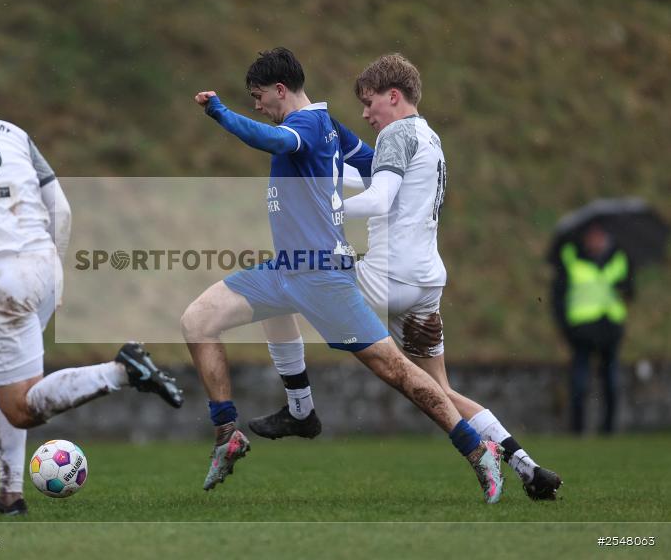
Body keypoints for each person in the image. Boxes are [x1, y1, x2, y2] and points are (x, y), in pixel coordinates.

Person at [182, 47, 504, 503]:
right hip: (285, 270)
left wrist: (219, 112)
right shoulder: (330, 129)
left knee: (399, 372)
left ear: (280, 90)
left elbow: (270, 141)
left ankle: (477, 451)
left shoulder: (307, 125)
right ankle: (231, 431)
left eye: (258, 97)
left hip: (322, 276)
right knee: (198, 321)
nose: (257, 106)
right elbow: (371, 164)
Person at [251, 53, 562, 501]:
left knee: (281, 288)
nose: (365, 113)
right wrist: (331, 174)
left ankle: (300, 408)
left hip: (387, 277)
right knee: (439, 390)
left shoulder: (397, 134)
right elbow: (385, 190)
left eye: (369, 101)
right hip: (426, 282)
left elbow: (378, 201)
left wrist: (324, 208)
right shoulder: (429, 138)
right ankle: (527, 467)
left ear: (393, 97)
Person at [0, 57, 183, 516]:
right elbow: (61, 209)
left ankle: (122, 371)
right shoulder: (12, 132)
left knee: (20, 407)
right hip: (44, 262)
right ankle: (9, 497)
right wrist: (57, 273)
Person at [553, 223, 632, 435]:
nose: (596, 240)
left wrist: (624, 289)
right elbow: (558, 296)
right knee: (580, 382)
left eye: (600, 235)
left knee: (611, 382)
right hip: (582, 330)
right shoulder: (571, 257)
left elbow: (629, 289)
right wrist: (566, 327)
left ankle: (608, 429)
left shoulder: (619, 257)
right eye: (592, 236)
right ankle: (578, 429)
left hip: (610, 329)